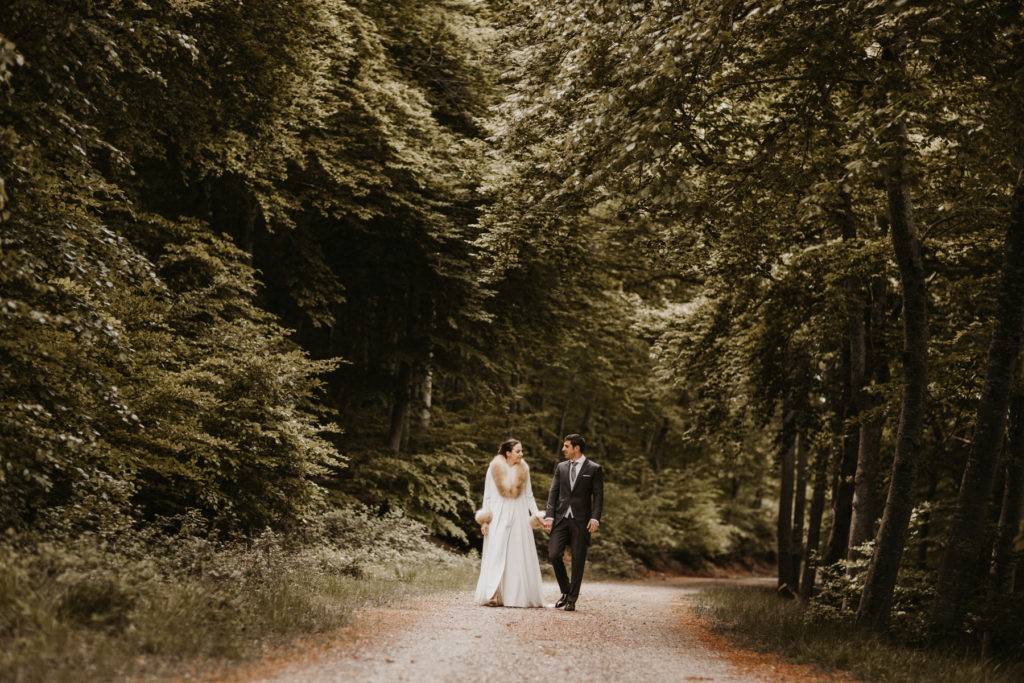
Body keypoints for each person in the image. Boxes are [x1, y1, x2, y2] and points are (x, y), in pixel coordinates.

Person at [473, 438, 546, 607]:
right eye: (518, 451)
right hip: (498, 516)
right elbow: (488, 497)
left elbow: (529, 496)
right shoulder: (493, 469)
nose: (521, 454)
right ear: (508, 453)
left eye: (522, 451)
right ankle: (492, 594)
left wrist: (537, 515)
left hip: (519, 517)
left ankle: (515, 596)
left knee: (516, 556)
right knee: (495, 552)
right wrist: (485, 521)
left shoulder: (524, 469)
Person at [544, 433, 603, 611]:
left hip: (582, 520)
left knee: (578, 559)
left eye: (566, 446)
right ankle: (566, 590)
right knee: (554, 554)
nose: (563, 449)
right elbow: (553, 492)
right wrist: (549, 515)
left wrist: (595, 517)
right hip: (561, 518)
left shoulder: (594, 468)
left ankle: (572, 599)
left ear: (576, 448)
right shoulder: (560, 467)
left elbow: (599, 496)